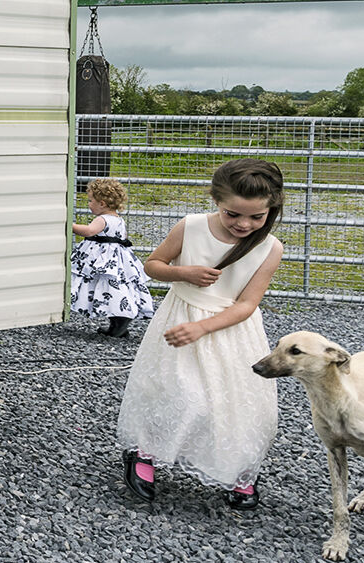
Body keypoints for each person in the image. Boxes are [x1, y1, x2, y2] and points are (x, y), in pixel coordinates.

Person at [115, 158, 286, 510]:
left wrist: (202, 328)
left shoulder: (271, 248)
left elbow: (247, 304)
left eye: (257, 217)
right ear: (216, 202)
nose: (244, 224)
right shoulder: (191, 227)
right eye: (232, 214)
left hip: (232, 331)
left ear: (272, 208)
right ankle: (145, 453)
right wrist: (184, 273)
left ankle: (240, 469)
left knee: (242, 402)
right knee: (176, 389)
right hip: (181, 319)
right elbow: (152, 265)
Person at [70, 177, 155, 338]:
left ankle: (120, 322)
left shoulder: (102, 219)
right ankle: (117, 323)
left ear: (102, 203)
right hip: (118, 260)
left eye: (91, 201)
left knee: (107, 288)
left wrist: (69, 225)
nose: (89, 204)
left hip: (105, 260)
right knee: (113, 289)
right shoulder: (118, 219)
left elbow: (89, 231)